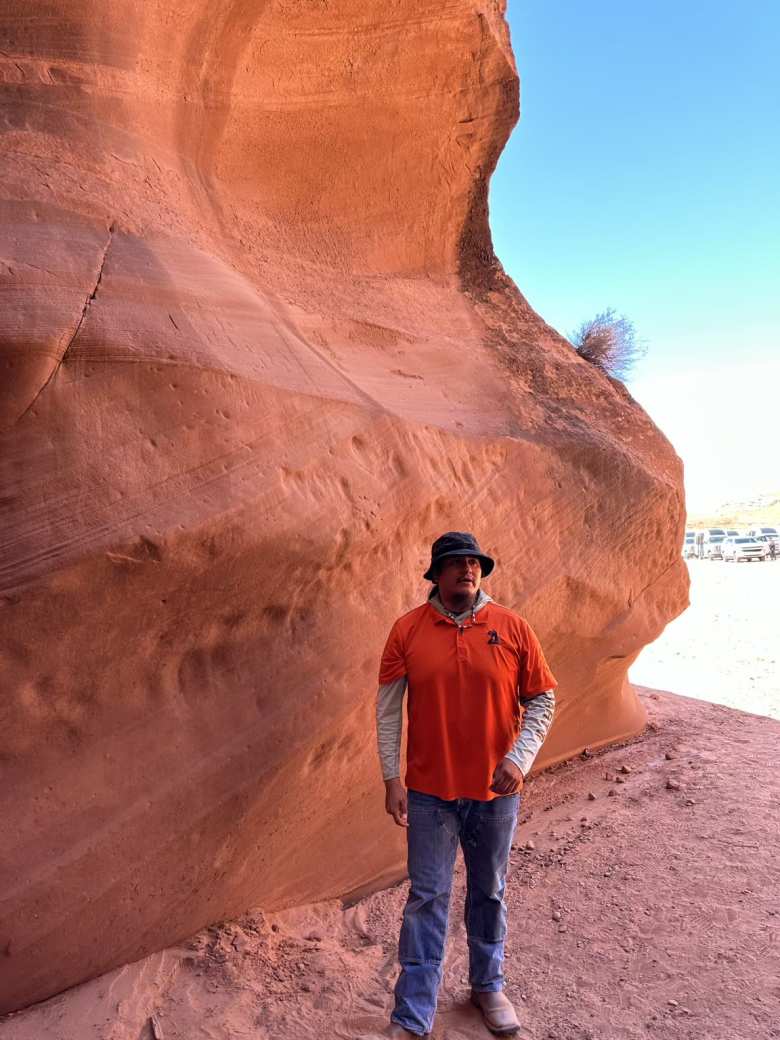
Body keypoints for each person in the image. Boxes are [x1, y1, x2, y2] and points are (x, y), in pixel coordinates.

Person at [376, 532, 557, 1038]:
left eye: (474, 562)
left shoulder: (512, 627)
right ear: (435, 575)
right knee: (428, 896)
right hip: (431, 791)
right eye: (455, 563)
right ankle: (413, 1015)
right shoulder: (408, 630)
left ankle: (487, 986)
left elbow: (542, 700)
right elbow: (389, 710)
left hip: (496, 792)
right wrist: (392, 777)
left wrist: (519, 759)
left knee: (490, 890)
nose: (467, 570)